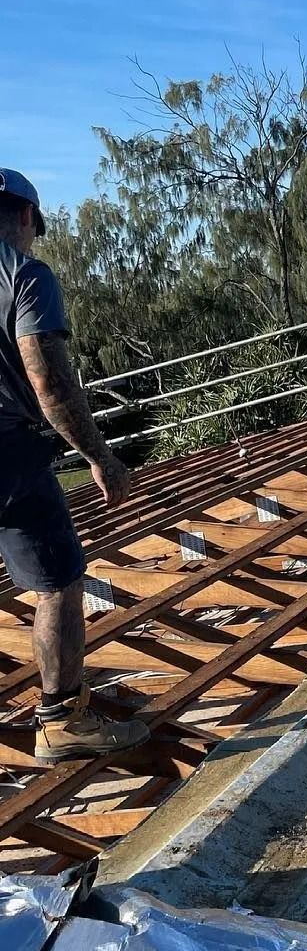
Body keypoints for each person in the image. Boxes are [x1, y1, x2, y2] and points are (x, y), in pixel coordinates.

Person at [0, 167, 148, 763]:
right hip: (10, 457)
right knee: (58, 580)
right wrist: (100, 458)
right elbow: (49, 381)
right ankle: (62, 719)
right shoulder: (24, 274)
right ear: (29, 218)